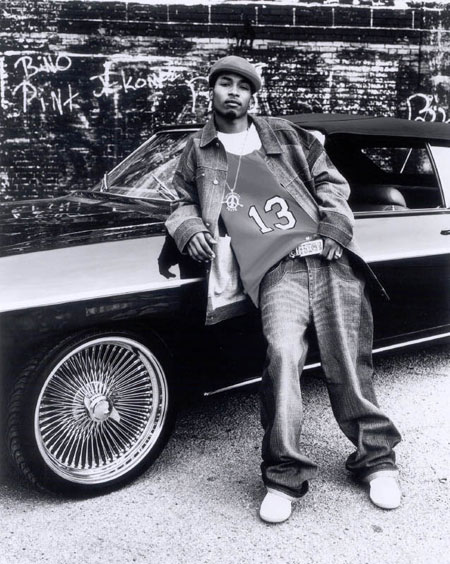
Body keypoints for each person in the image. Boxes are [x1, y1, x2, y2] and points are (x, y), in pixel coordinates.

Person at [166, 55, 402, 523]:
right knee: (281, 358)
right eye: (225, 83)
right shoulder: (197, 150)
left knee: (348, 360)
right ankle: (283, 476)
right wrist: (188, 226)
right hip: (274, 271)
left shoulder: (288, 135)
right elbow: (179, 200)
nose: (233, 92)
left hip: (327, 257)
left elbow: (331, 183)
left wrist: (334, 229)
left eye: (243, 86)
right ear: (211, 91)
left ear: (253, 97)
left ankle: (377, 462)